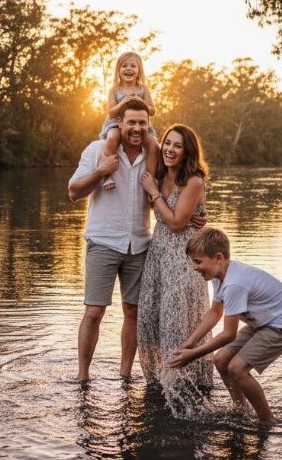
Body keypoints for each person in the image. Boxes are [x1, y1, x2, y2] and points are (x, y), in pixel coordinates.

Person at [68, 98, 205, 381]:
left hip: (140, 245)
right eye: (131, 122)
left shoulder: (152, 158)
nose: (137, 128)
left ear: (148, 126)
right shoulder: (97, 151)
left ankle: (125, 376)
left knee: (133, 312)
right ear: (120, 123)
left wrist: (192, 215)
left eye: (143, 123)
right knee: (94, 311)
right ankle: (82, 376)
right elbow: (73, 191)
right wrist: (101, 171)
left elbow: (167, 195)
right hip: (103, 241)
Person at [168, 227, 282, 424]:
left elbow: (229, 334)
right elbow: (215, 312)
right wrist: (190, 343)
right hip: (262, 322)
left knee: (237, 368)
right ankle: (241, 409)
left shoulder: (234, 284)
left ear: (218, 257)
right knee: (221, 361)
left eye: (198, 262)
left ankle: (267, 420)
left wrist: (194, 354)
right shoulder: (219, 276)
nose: (194, 268)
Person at [137, 125, 213, 412]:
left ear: (188, 151)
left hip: (183, 260)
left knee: (175, 323)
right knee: (149, 318)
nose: (169, 149)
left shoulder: (193, 181)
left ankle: (183, 387)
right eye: (167, 143)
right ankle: (158, 384)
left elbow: (178, 222)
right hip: (158, 256)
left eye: (177, 146)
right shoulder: (159, 171)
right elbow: (147, 136)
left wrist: (154, 192)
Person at [98, 52, 159, 192]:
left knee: (154, 146)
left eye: (133, 66)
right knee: (112, 138)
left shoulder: (143, 89)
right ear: (118, 71)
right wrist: (123, 103)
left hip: (140, 125)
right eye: (124, 66)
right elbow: (112, 112)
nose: (129, 68)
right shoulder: (114, 90)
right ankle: (107, 175)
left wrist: (140, 102)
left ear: (139, 71)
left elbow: (152, 111)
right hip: (115, 123)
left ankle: (151, 179)